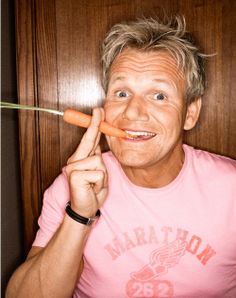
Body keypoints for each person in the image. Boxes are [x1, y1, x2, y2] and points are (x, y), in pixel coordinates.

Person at [6, 16, 236, 298]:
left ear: (190, 113)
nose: (132, 113)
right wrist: (79, 216)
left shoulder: (231, 190)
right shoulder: (70, 186)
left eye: (159, 96)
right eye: (122, 92)